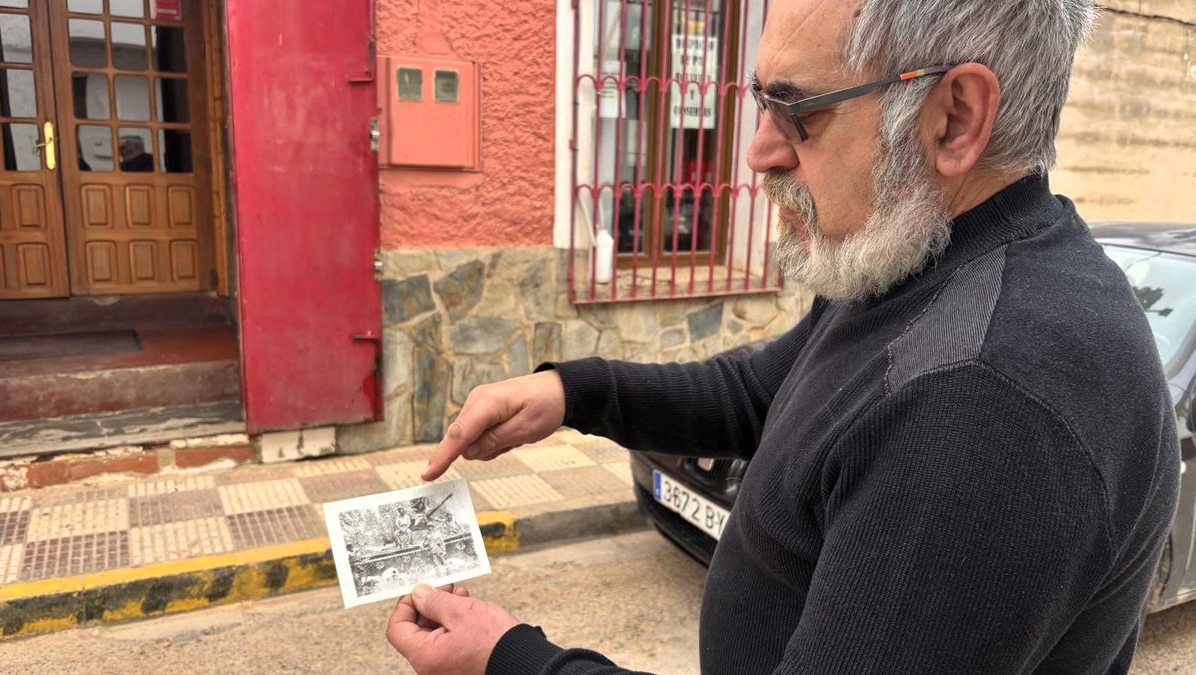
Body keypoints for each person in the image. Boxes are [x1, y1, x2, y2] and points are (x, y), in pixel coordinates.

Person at [386, 1, 1181, 673]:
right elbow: (766, 395)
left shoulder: (983, 398)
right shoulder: (919, 255)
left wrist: (510, 658)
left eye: (798, 113)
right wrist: (571, 392)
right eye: (759, 102)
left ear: (955, 117)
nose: (761, 152)